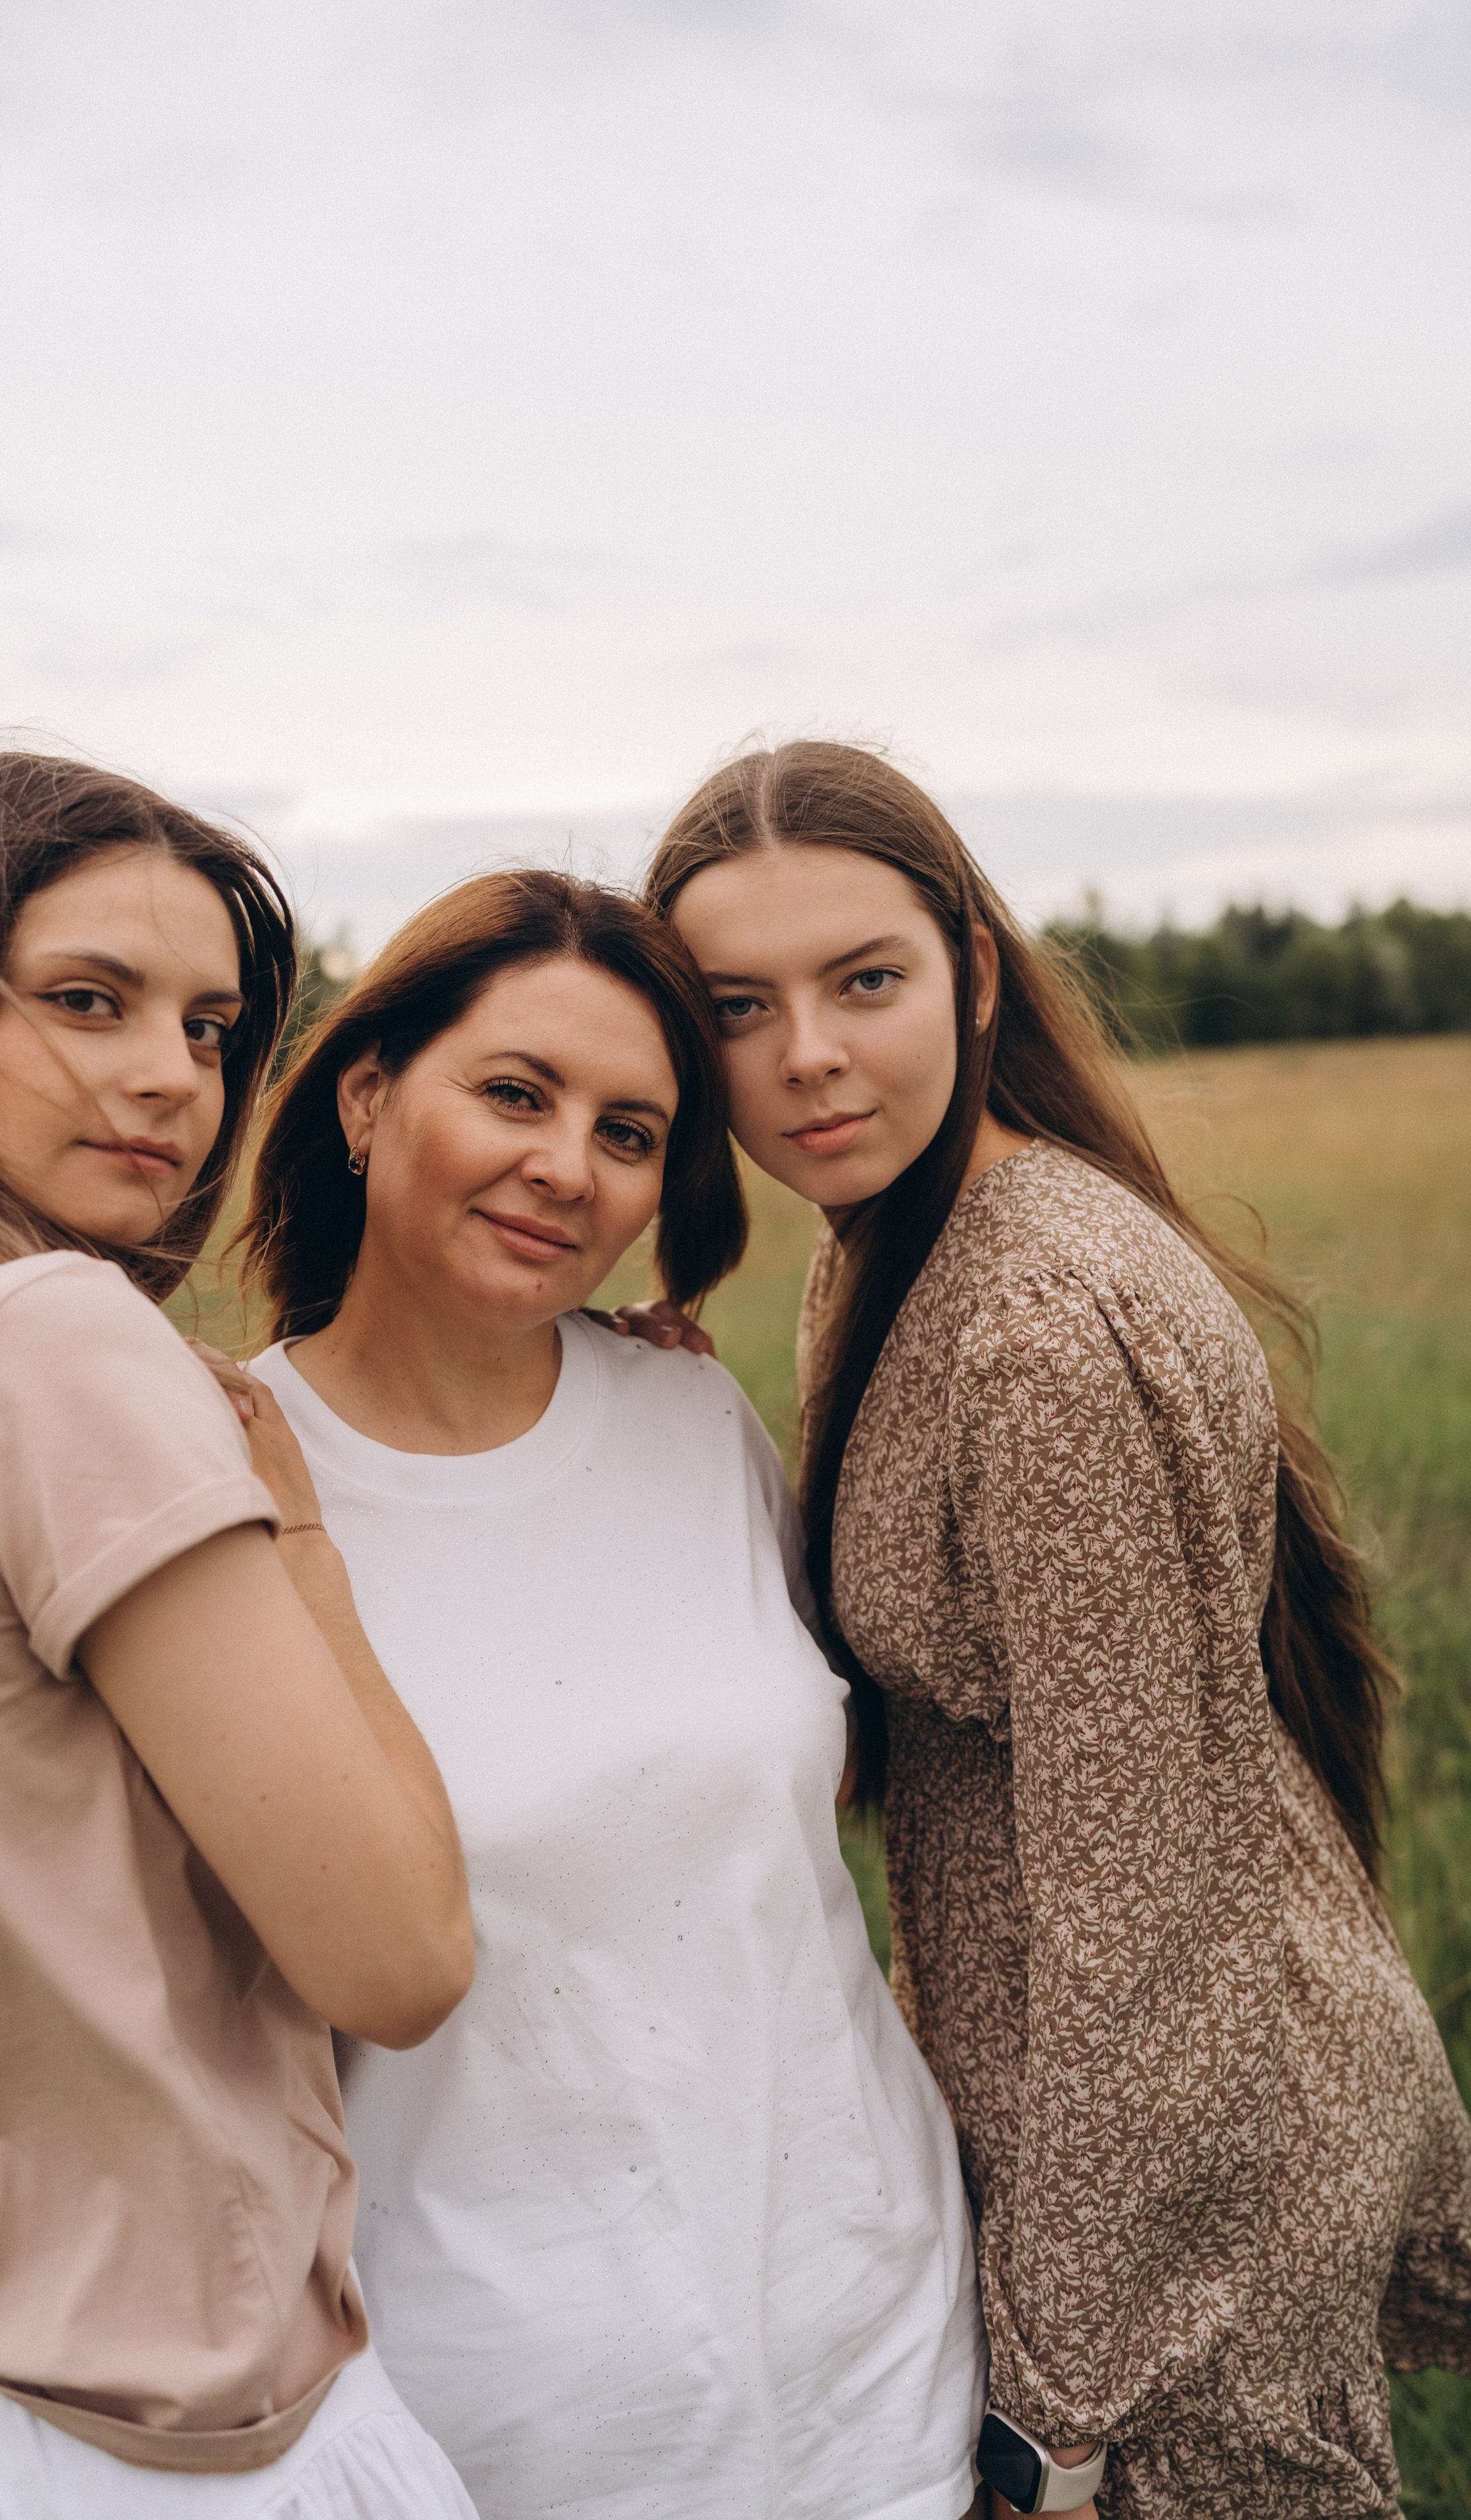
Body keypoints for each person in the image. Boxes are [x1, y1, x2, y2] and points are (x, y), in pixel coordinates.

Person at [619, 739, 1471, 2518]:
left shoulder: (1032, 1328)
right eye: (735, 1009)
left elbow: (1133, 1911)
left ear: (975, 971)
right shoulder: (894, 1236)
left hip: (1180, 2182)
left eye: (866, 981)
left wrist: (1058, 2407)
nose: (809, 1057)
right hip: (1130, 2124)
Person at [214, 868, 987, 2520]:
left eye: (628, 1132)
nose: (566, 1166)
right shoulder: (217, 1482)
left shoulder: (693, 1426)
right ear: (366, 1095)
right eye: (513, 1092)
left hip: (881, 2356)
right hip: (516, 2426)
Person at [0, 752, 477, 2519]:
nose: (170, 1077)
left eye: (208, 1025)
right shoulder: (50, 1344)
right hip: (185, 2444)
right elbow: (397, 1960)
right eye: (89, 1001)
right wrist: (306, 1544)